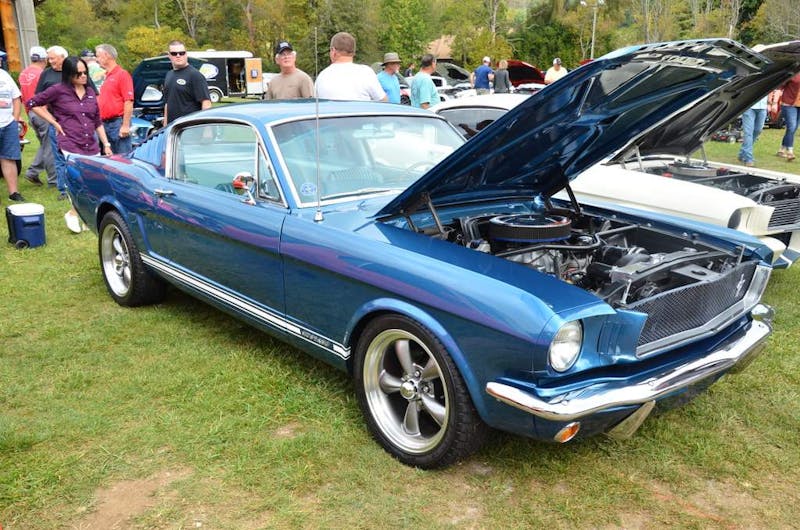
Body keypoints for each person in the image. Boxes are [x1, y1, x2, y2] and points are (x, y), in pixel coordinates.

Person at [27, 56, 113, 232]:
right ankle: (74, 213)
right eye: (78, 74)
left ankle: (82, 214)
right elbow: (32, 103)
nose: (83, 76)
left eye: (85, 73)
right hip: (70, 141)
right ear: (68, 74)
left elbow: (97, 120)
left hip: (91, 143)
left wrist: (106, 144)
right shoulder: (58, 90)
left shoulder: (90, 91)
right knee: (79, 180)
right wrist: (54, 122)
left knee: (93, 181)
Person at [19, 45, 56, 187]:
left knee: (44, 144)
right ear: (44, 59)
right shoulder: (43, 74)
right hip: (42, 112)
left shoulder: (24, 73)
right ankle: (54, 180)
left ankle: (33, 172)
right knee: (50, 145)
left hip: (31, 112)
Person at [314, 32, 387, 102]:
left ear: (333, 51)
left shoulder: (322, 77)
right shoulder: (366, 73)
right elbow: (383, 101)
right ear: (353, 52)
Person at [95, 43, 134, 153]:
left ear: (106, 55)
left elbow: (129, 101)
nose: (97, 59)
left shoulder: (122, 75)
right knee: (108, 160)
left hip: (117, 123)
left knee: (122, 158)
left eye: (98, 56)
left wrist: (125, 125)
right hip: (103, 123)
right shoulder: (104, 76)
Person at [163, 40, 212, 125]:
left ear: (186, 54)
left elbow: (206, 103)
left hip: (190, 129)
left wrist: (206, 129)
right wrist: (165, 126)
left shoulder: (195, 75)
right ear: (169, 56)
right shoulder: (169, 74)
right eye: (174, 53)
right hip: (173, 129)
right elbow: (167, 103)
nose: (178, 56)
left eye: (181, 53)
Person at [0, 66, 24, 202]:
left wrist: (15, 119)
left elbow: (16, 98)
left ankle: (14, 193)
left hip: (8, 123)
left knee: (9, 158)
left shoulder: (4, 75)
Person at [738, 96, 768, 167]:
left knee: (758, 130)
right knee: (748, 133)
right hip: (749, 107)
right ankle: (749, 158)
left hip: (763, 107)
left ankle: (742, 154)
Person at [777, 72, 800, 162]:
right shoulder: (794, 73)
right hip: (789, 104)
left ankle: (782, 149)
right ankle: (790, 152)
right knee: (791, 127)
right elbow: (780, 85)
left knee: (793, 129)